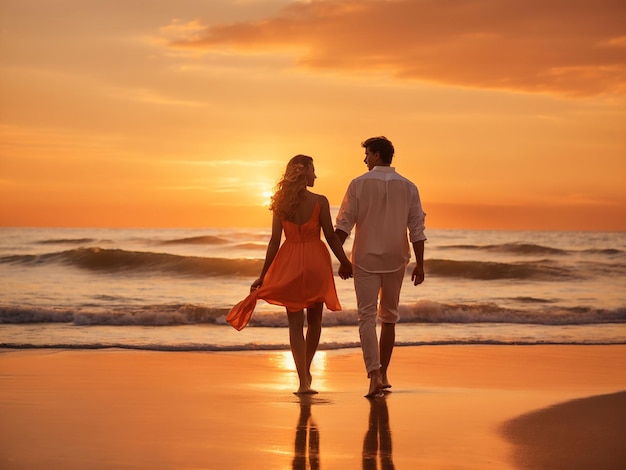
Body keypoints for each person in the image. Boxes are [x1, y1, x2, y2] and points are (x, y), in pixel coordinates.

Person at [226, 154, 353, 394]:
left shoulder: (281, 203)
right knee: (315, 321)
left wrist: (263, 275)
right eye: (313, 170)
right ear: (304, 173)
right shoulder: (321, 201)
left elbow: (275, 242)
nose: (315, 175)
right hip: (316, 261)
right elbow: (331, 236)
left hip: (290, 263)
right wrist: (345, 262)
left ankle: (303, 381)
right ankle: (306, 371)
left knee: (295, 324)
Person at [335, 136, 426, 397]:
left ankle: (374, 374)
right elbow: (416, 230)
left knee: (366, 317)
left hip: (365, 259)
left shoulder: (358, 185)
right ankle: (383, 373)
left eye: (366, 154)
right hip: (396, 259)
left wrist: (340, 258)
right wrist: (420, 264)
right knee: (389, 318)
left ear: (376, 155)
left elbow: (343, 225)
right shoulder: (409, 187)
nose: (364, 160)